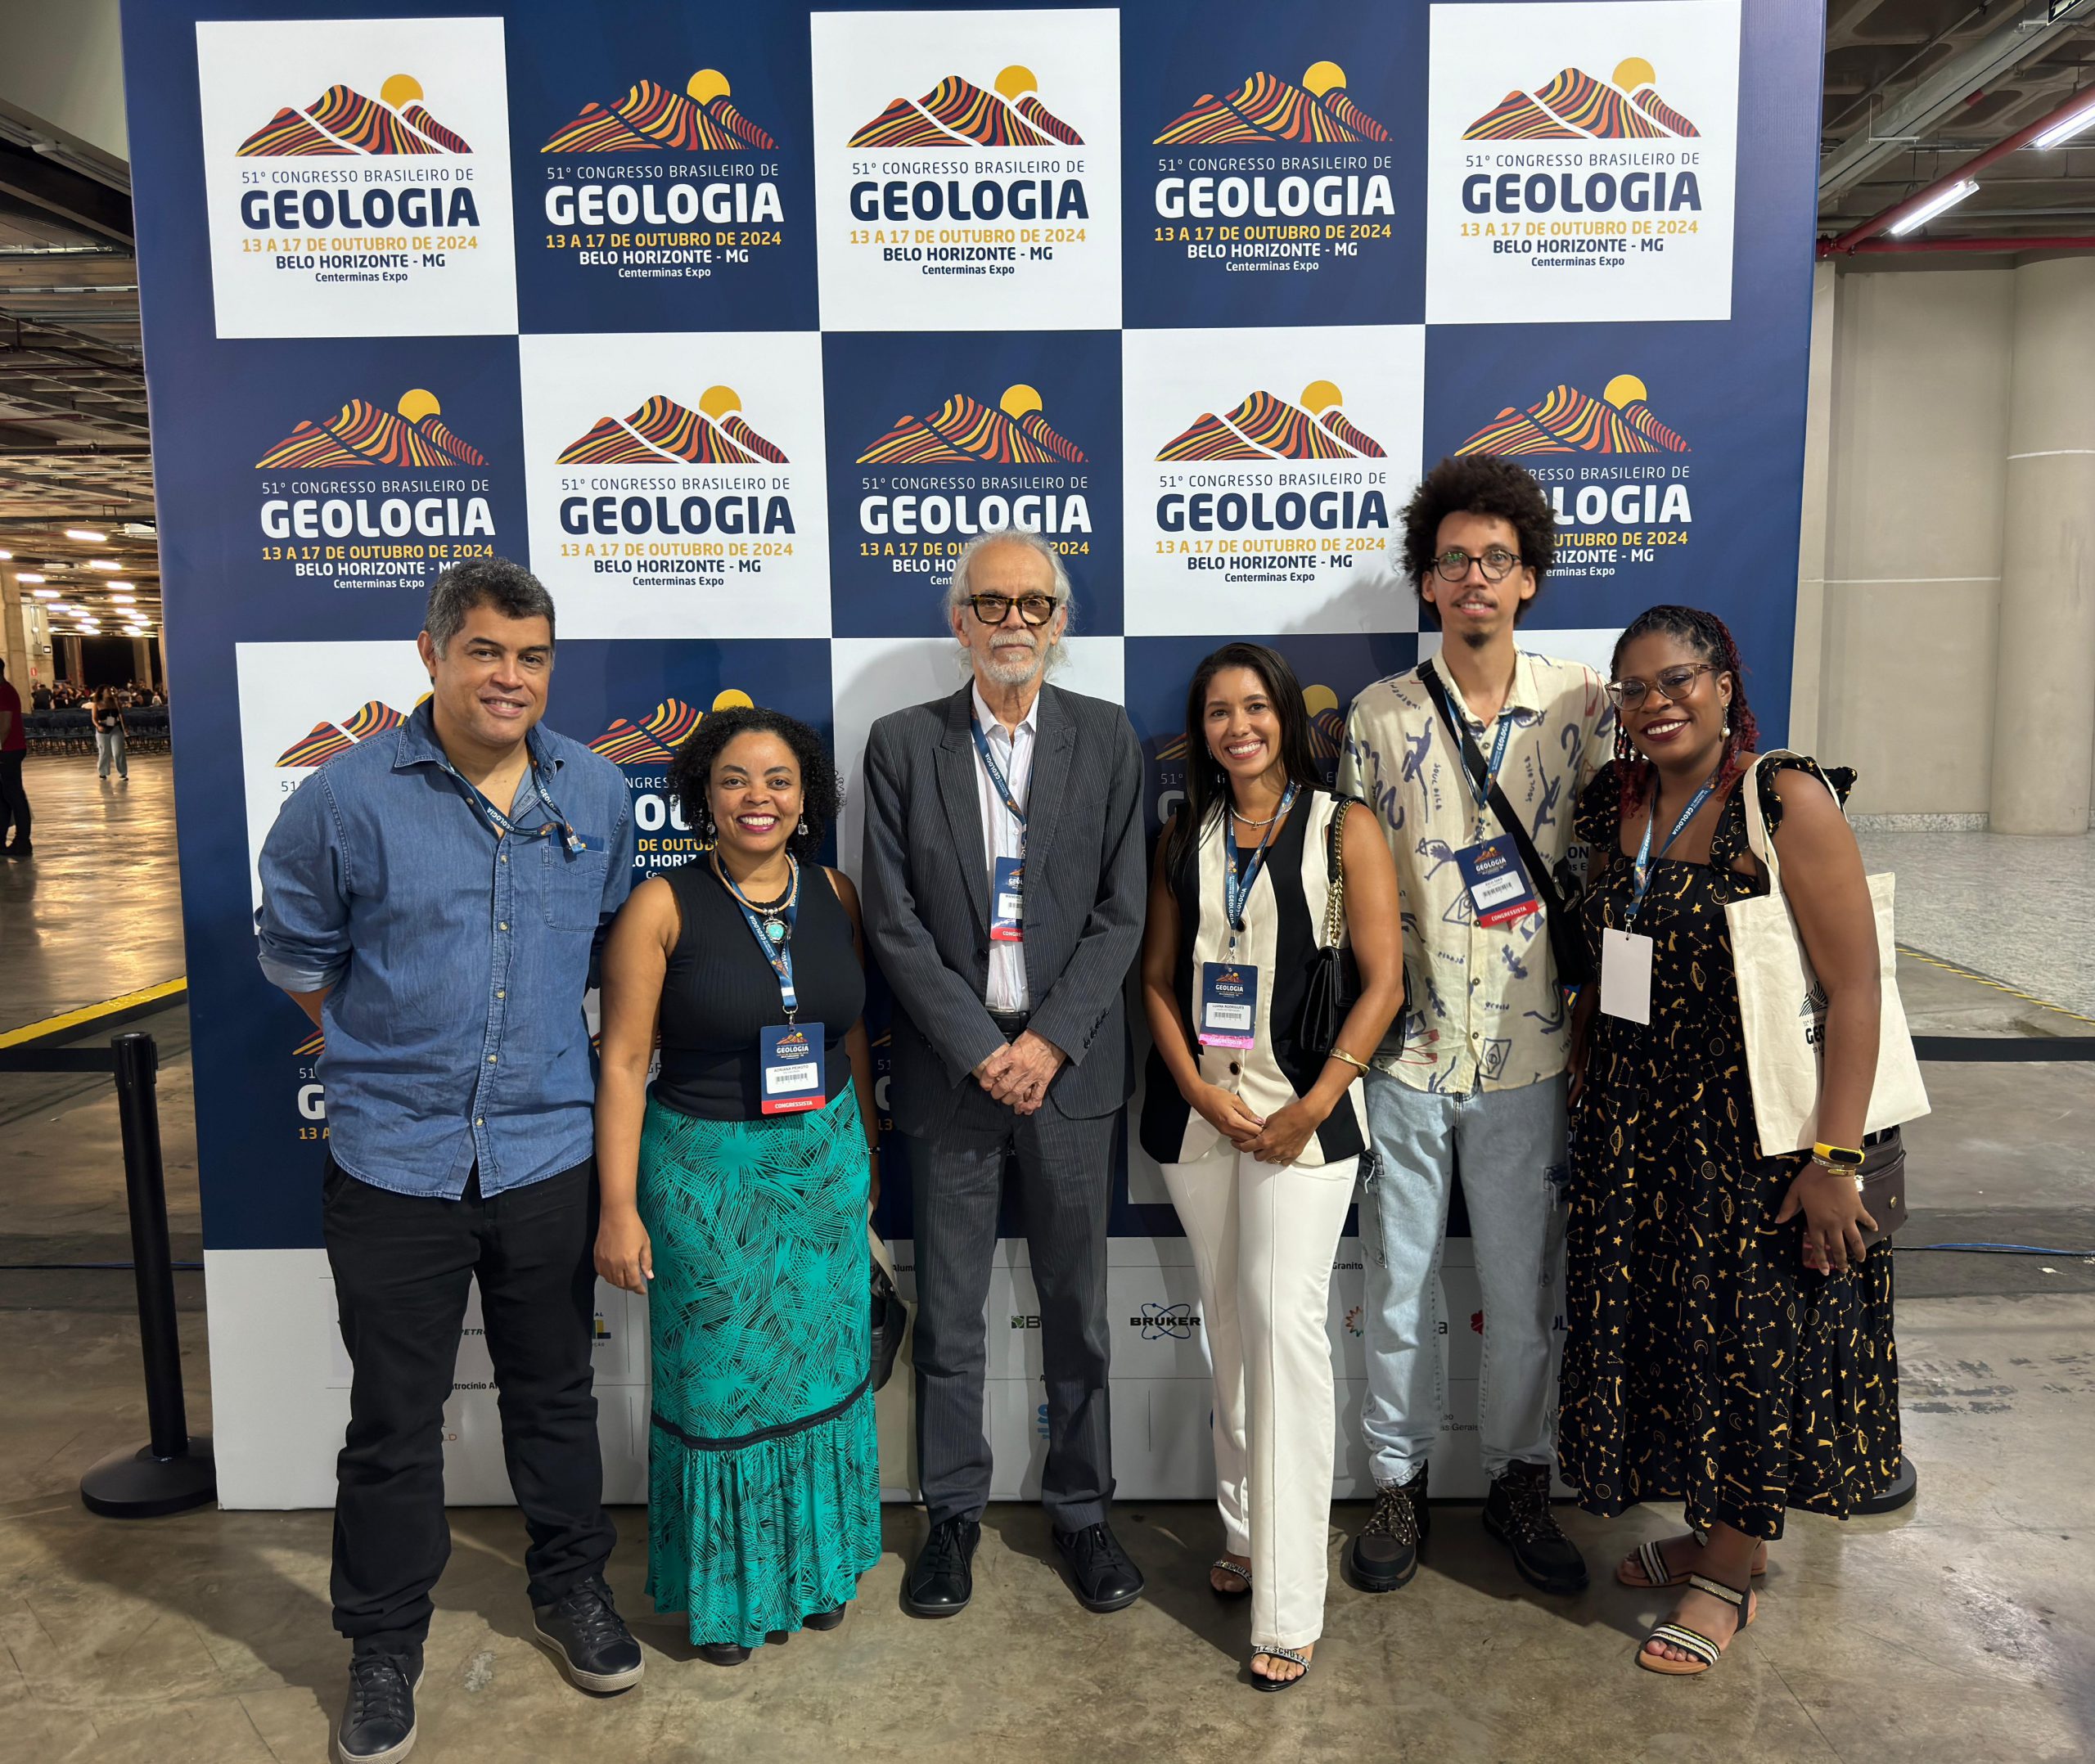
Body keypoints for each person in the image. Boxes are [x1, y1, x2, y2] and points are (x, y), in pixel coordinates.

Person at [255, 557, 642, 1764]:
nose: (509, 678)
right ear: (431, 655)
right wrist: (387, 1050)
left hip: (545, 1152)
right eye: (484, 652)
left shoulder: (598, 790)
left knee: (554, 1396)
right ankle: (382, 1647)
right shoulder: (344, 797)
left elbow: (608, 946)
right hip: (393, 1161)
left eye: (532, 657)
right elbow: (297, 957)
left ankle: (572, 1590)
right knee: (392, 1419)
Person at [1561, 604, 1896, 1676]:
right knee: (1676, 1343)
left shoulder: (1784, 799)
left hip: (1753, 1141)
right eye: (1634, 689)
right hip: (1638, 1132)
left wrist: (1834, 1159)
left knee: (1749, 1351)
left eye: (1678, 680)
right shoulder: (1617, 801)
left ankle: (1728, 1572)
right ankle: (1714, 1531)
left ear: (1722, 682)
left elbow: (1856, 988)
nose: (1656, 703)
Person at [1336, 455, 1613, 1598]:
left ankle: (1518, 1480)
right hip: (1406, 1053)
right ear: (1427, 580)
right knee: (1398, 1289)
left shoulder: (1584, 704)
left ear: (1529, 576)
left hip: (1533, 1054)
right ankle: (1395, 1482)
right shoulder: (1378, 715)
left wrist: (1597, 1019)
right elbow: (1353, 891)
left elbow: (1615, 873)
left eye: (1496, 559)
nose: (1474, 578)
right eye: (1453, 560)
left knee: (1522, 1293)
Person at [862, 527, 1148, 1618]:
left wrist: (1048, 1040)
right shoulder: (903, 744)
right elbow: (891, 921)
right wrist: (982, 1046)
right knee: (951, 1316)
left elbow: (1123, 913)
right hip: (955, 1072)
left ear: (1059, 621)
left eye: (1033, 602)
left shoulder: (1107, 738)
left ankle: (1082, 1511)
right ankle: (951, 1517)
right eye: (991, 602)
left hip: (1069, 1068)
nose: (1012, 621)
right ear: (959, 621)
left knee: (1078, 1310)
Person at [593, 706, 881, 1665]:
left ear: (806, 798)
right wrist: (619, 1205)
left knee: (823, 1375)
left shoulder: (834, 890)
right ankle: (731, 1594)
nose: (758, 797)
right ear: (702, 796)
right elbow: (623, 1060)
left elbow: (847, 1031)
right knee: (722, 1390)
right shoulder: (660, 905)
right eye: (734, 779)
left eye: (778, 780)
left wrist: (864, 1147)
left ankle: (819, 1570)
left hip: (823, 1167)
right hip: (705, 1183)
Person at [1139, 643, 1403, 1690]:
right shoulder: (1183, 835)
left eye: (1255, 707)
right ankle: (1246, 1533)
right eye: (1217, 711)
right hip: (1202, 1114)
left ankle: (1289, 1603)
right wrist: (1198, 1090)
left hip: (1306, 1114)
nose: (1237, 726)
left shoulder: (1344, 826)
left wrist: (1315, 1102)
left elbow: (1382, 982)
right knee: (1228, 1323)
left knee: (1282, 1328)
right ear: (1200, 730)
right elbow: (1156, 980)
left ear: (1286, 717)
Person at [0, 659, 27, 858]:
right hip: (8, 749)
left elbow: (5, 726)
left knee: (14, 797)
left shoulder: (4, 692)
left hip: (8, 750)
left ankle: (22, 841)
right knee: (4, 798)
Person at [92, 686, 129, 781]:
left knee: (118, 751)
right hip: (103, 728)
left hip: (115, 727)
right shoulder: (97, 704)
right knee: (104, 751)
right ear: (102, 693)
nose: (109, 692)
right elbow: (94, 718)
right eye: (107, 691)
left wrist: (125, 727)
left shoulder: (115, 702)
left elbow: (121, 715)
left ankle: (122, 773)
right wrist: (98, 726)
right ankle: (103, 772)